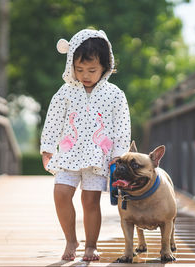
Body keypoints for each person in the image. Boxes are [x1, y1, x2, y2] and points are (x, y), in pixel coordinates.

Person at [40, 29, 131, 261]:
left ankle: (91, 244)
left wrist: (119, 155)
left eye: (92, 70)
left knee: (90, 200)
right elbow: (53, 120)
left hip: (99, 156)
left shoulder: (115, 95)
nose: (85, 75)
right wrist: (48, 147)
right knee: (61, 193)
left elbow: (122, 127)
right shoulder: (65, 93)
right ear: (71, 66)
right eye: (79, 70)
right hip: (69, 154)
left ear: (105, 67)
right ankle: (71, 239)